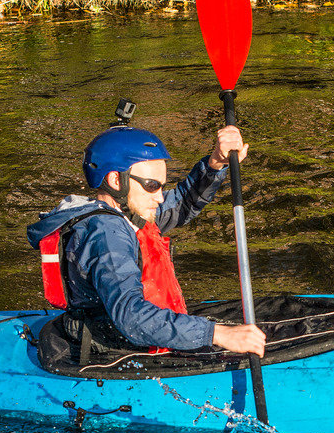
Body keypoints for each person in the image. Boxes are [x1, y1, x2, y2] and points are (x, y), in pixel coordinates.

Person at [26, 115, 267, 357]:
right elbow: (131, 315)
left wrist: (215, 164)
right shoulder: (107, 233)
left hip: (130, 332)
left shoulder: (125, 214)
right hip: (120, 346)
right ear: (115, 180)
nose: (160, 196)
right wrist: (218, 334)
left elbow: (180, 204)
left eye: (162, 186)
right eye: (152, 185)